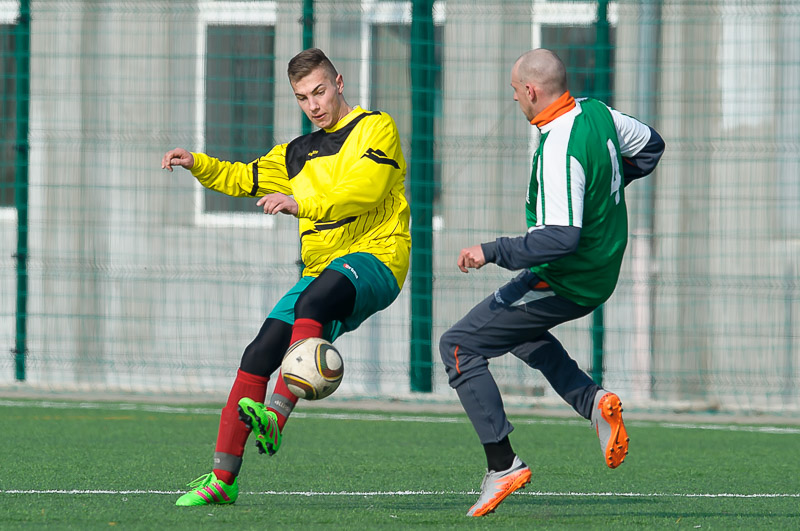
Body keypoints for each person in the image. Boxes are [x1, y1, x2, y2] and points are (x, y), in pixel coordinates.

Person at [161, 48, 410, 506]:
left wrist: (302, 204)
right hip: (322, 272)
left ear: (339, 82)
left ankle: (276, 417)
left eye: (319, 91)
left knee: (315, 302)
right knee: (259, 352)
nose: (313, 105)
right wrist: (199, 163)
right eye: (302, 98)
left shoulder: (377, 127)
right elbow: (244, 176)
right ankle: (222, 479)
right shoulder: (295, 152)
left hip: (378, 256)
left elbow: (367, 188)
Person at [438, 48, 665, 517]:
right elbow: (651, 146)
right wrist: (607, 190)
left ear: (531, 91)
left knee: (459, 346)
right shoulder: (598, 113)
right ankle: (592, 401)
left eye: (515, 93)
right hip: (599, 269)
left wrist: (492, 251)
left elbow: (560, 238)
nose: (516, 101)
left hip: (567, 276)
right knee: (518, 337)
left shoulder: (559, 146)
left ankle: (503, 465)